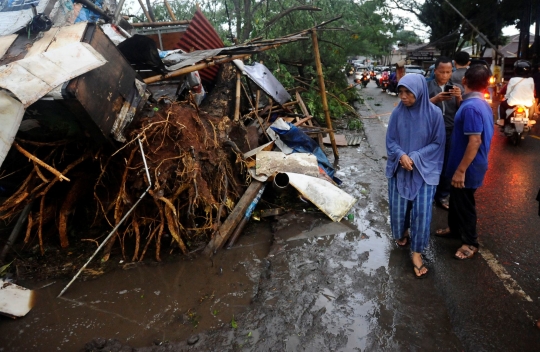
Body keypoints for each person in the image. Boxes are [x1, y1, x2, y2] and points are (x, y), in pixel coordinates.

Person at [386, 74, 446, 278]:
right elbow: (391, 141)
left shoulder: (435, 114)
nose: (403, 97)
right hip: (400, 168)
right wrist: (401, 155)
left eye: (408, 92)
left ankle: (417, 253)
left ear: (419, 92)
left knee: (422, 213)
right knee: (399, 208)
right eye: (400, 92)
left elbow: (438, 143)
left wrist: (415, 156)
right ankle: (402, 232)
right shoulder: (397, 114)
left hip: (425, 171)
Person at [435, 65, 494, 260]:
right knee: (456, 200)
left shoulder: (472, 107)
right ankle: (454, 229)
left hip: (467, 167)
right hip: (463, 164)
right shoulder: (480, 103)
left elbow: (475, 141)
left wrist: (461, 171)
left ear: (464, 81)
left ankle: (470, 242)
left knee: (465, 204)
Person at [428, 56, 463, 210]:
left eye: (448, 72)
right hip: (431, 130)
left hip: (450, 129)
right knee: (430, 163)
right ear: (435, 71)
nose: (444, 75)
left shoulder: (456, 87)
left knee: (447, 164)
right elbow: (418, 106)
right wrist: (435, 99)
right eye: (441, 72)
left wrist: (459, 97)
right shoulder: (426, 86)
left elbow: (462, 109)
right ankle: (428, 194)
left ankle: (442, 196)